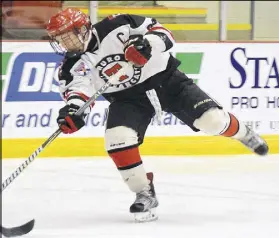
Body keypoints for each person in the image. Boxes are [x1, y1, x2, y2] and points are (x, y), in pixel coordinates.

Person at [46, 7, 268, 222]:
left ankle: (243, 133)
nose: (65, 44)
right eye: (59, 39)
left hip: (168, 83)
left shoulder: (119, 24)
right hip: (128, 100)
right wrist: (74, 112)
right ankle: (144, 193)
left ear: (83, 29)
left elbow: (163, 33)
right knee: (117, 139)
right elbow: (78, 92)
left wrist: (146, 44)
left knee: (212, 121)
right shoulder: (72, 65)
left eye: (68, 37)